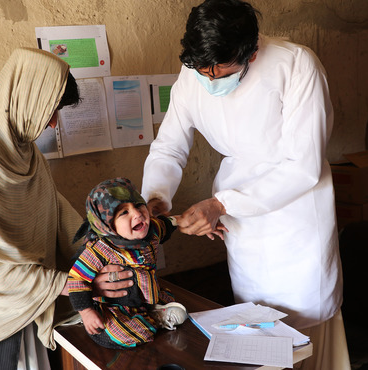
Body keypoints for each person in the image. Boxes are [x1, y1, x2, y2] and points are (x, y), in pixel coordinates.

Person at [141, 1, 350, 369]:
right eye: (203, 70)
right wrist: (156, 199)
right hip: (241, 220)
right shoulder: (195, 72)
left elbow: (303, 167)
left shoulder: (296, 65)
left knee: (306, 332)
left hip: (297, 215)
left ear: (251, 53)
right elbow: (169, 145)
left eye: (221, 70)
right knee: (255, 327)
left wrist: (221, 205)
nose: (210, 79)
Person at [0, 48, 133, 370]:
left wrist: (110, 254)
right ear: (26, 97)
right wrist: (74, 283)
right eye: (51, 109)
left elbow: (59, 218)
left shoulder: (26, 153)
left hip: (24, 306)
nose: (52, 123)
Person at [68, 177, 188, 349]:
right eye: (124, 212)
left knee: (180, 311)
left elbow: (166, 226)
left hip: (147, 296)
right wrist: (86, 312)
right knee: (125, 333)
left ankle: (153, 312)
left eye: (138, 204)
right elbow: (76, 280)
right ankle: (147, 321)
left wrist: (181, 220)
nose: (137, 214)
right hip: (116, 307)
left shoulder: (152, 231)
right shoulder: (100, 249)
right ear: (106, 225)